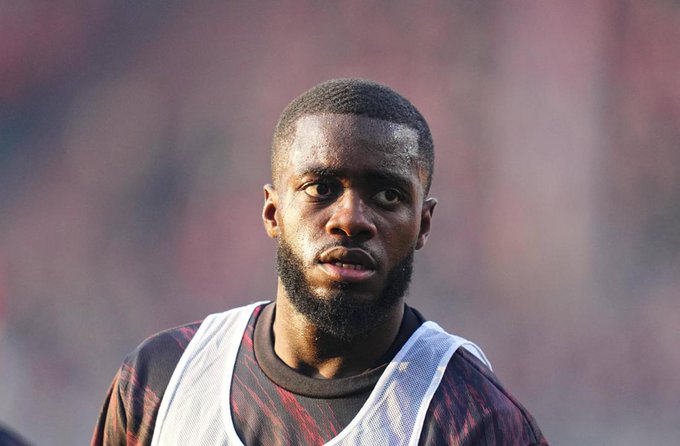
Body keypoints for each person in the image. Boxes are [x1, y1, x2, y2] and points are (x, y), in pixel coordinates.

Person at [92, 78, 548, 445]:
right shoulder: (161, 380)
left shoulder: (476, 421)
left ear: (423, 224)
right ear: (273, 212)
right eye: (321, 188)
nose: (350, 220)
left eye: (388, 195)